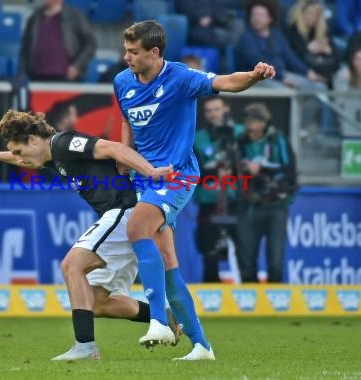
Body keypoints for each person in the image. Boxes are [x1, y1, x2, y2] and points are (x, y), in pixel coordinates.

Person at [114, 20, 275, 360]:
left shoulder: (181, 78)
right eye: (126, 50)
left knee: (136, 228)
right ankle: (202, 345)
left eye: (133, 52)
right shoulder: (122, 81)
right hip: (145, 178)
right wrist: (124, 155)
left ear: (155, 53)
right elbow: (127, 119)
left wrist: (255, 76)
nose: (125, 57)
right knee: (168, 261)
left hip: (177, 176)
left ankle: (157, 320)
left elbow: (226, 82)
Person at [0, 110, 179, 361]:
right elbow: (26, 160)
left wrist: (150, 171)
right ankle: (165, 316)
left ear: (33, 140)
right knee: (95, 302)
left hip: (125, 212)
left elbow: (113, 147)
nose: (20, 159)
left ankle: (86, 347)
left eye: (18, 150)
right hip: (125, 218)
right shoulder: (53, 156)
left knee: (72, 265)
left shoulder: (63, 143)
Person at [236, 103, 297, 283]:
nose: (251, 127)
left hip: (276, 205)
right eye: (248, 121)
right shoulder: (240, 141)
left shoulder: (278, 140)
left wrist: (262, 169)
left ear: (264, 123)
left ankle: (276, 306)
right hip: (248, 205)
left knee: (275, 262)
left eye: (255, 121)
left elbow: (290, 171)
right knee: (247, 261)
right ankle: (249, 306)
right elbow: (235, 169)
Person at [193, 96, 245, 283]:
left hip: (236, 201)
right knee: (209, 250)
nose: (213, 114)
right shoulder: (198, 138)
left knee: (243, 249)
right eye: (209, 111)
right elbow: (194, 172)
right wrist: (215, 171)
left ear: (225, 109)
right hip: (209, 202)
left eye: (217, 109)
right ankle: (211, 294)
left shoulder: (240, 133)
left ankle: (248, 296)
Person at [19, 0, 97, 82]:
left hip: (66, 78)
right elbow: (25, 49)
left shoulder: (74, 16)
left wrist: (77, 66)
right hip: (38, 78)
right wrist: (22, 74)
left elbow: (91, 44)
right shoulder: (34, 18)